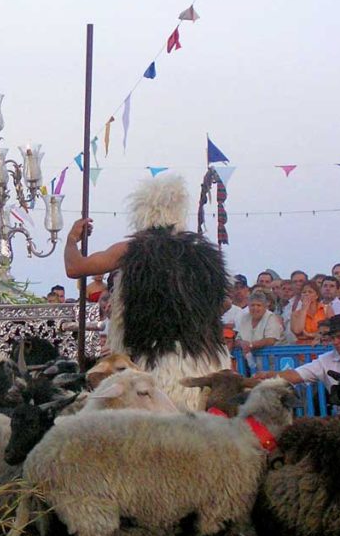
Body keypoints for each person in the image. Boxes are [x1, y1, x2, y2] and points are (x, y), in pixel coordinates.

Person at [64, 175, 229, 408]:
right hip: (207, 362)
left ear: (141, 212)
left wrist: (72, 239)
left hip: (153, 363)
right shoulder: (202, 254)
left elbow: (75, 267)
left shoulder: (130, 250)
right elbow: (225, 303)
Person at [259, 314, 340, 391]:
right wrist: (267, 375)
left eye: (339, 337)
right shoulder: (325, 360)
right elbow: (295, 375)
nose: (335, 342)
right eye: (333, 338)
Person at [234, 291, 284, 373]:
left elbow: (270, 340)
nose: (255, 308)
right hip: (250, 364)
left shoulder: (271, 318)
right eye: (252, 305)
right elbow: (238, 339)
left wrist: (250, 345)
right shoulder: (245, 318)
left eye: (258, 305)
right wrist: (242, 343)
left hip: (272, 364)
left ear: (265, 306)